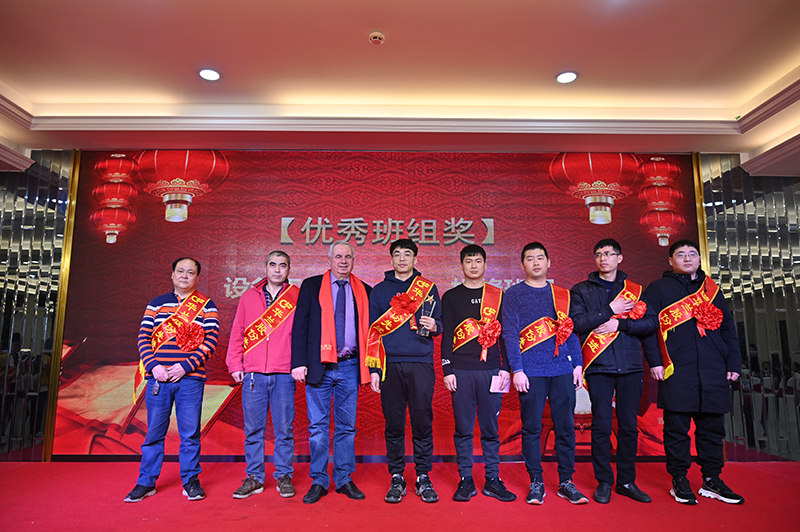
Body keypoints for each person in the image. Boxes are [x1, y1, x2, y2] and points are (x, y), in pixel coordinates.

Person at [642, 240, 744, 505]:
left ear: (699, 259)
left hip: (713, 368)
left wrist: (733, 363)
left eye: (692, 254)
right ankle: (679, 479)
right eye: (681, 254)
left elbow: (728, 328)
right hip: (677, 369)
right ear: (670, 261)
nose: (687, 258)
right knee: (676, 429)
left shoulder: (711, 289)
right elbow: (649, 330)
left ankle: (712, 479)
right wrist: (655, 362)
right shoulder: (658, 289)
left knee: (712, 429)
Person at [570, 238, 658, 504]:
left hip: (630, 366)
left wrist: (621, 325)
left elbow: (651, 324)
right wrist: (610, 310)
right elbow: (576, 324)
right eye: (598, 254)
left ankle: (627, 481)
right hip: (599, 366)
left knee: (629, 426)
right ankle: (604, 481)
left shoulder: (635, 291)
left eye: (608, 253)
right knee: (601, 425)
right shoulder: (581, 290)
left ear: (619, 258)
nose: (603, 258)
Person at [124, 258, 219, 503]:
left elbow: (211, 341)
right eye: (180, 271)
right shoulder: (156, 304)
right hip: (158, 379)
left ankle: (190, 481)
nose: (185, 276)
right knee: (154, 434)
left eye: (190, 272)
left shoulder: (206, 306)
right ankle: (146, 482)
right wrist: (154, 366)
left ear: (197, 277)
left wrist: (185, 366)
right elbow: (143, 338)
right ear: (172, 275)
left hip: (190, 380)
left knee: (190, 434)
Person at [501, 242, 587, 505]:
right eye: (530, 258)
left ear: (549, 262)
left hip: (562, 369)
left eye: (540, 258)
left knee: (566, 427)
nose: (536, 263)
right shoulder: (513, 294)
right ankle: (536, 481)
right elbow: (510, 334)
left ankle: (566, 481)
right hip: (530, 372)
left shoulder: (561, 295)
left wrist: (578, 364)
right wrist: (517, 369)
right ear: (522, 264)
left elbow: (569, 331)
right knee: (532, 428)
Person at [291, 241, 372, 504]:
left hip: (350, 366)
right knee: (318, 428)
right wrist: (298, 362)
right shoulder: (312, 286)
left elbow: (372, 335)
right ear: (330, 259)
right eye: (338, 256)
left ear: (354, 260)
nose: (343, 261)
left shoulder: (365, 291)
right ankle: (319, 480)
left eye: (348, 257)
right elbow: (300, 327)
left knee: (346, 427)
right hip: (319, 367)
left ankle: (344, 478)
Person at [367, 238, 443, 504]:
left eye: (407, 254)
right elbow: (372, 333)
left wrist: (435, 326)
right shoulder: (379, 291)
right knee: (394, 422)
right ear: (391, 259)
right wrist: (374, 369)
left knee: (422, 420)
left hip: (421, 363)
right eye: (397, 254)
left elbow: (441, 324)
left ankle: (423, 475)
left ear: (415, 259)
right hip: (390, 365)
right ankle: (397, 475)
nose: (402, 259)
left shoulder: (428, 288)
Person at [441, 244, 515, 502]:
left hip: (492, 371)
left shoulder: (497, 295)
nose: (473, 265)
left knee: (490, 428)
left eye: (478, 261)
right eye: (469, 261)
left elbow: (505, 335)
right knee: (463, 428)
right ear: (461, 265)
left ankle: (493, 479)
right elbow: (447, 335)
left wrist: (506, 367)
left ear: (485, 264)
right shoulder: (451, 297)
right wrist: (447, 369)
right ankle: (466, 479)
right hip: (461, 371)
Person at [226, 251, 298, 499]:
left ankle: (283, 475)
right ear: (265, 267)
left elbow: (302, 334)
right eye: (273, 265)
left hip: (284, 373)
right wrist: (235, 363)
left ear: (289, 269)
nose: (277, 270)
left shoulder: (296, 296)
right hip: (254, 373)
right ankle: (254, 477)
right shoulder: (249, 296)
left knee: (284, 429)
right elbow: (238, 331)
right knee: (253, 430)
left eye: (282, 265)